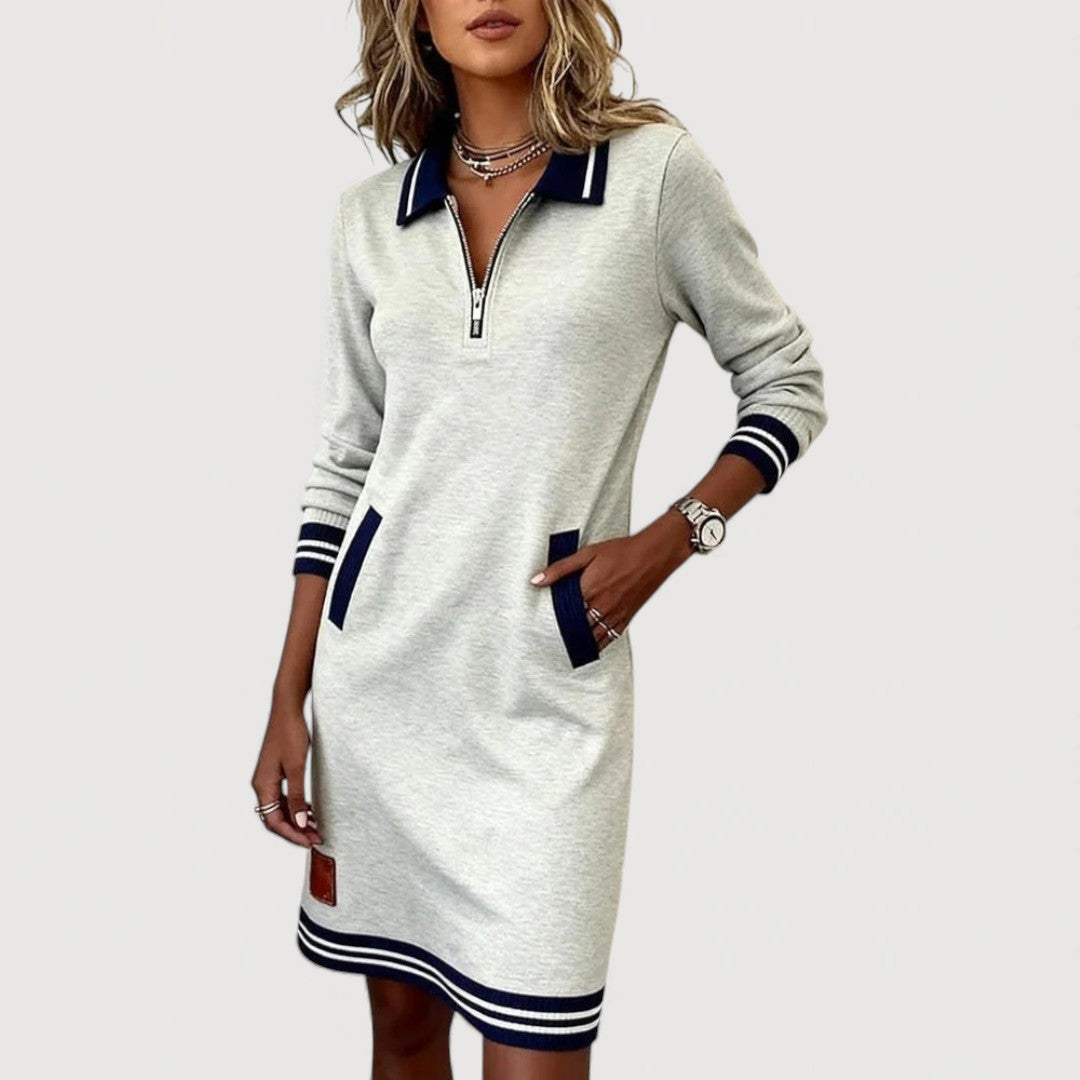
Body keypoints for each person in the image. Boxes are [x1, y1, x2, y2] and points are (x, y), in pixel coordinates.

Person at [251, 1, 828, 1076]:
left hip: (547, 709)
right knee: (403, 1040)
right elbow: (345, 463)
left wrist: (673, 537)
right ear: (415, 16)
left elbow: (786, 380)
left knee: (537, 1053)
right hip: (380, 699)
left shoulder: (653, 176)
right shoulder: (370, 220)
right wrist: (289, 695)